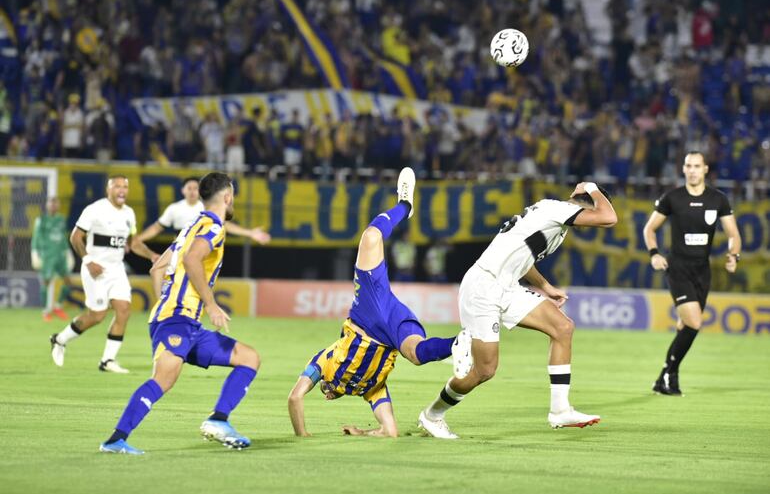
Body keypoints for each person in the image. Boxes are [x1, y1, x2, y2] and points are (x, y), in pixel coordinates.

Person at [419, 182, 618, 439]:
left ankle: (560, 410)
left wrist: (545, 286)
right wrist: (592, 187)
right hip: (483, 286)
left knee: (562, 327)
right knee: (484, 371)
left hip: (506, 287)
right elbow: (609, 217)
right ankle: (432, 415)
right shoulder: (556, 210)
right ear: (585, 204)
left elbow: (523, 260)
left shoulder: (555, 222)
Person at [287, 168, 462, 438]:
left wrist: (302, 436)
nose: (325, 393)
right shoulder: (370, 388)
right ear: (334, 397)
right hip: (392, 328)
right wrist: (361, 433)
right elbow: (390, 431)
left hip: (367, 311)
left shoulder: (323, 363)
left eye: (323, 389)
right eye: (328, 394)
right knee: (415, 355)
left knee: (371, 236)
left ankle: (404, 205)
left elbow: (295, 397)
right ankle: (463, 342)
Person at [99, 172, 260, 454]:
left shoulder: (191, 227)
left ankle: (218, 420)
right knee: (163, 379)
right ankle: (115, 440)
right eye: (232, 194)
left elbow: (157, 268)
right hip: (178, 319)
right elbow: (191, 258)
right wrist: (210, 304)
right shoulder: (213, 227)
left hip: (183, 322)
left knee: (249, 358)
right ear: (227, 197)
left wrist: (167, 301)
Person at [643, 152, 741, 396]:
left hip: (702, 270)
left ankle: (664, 378)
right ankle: (669, 375)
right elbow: (649, 229)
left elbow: (733, 234)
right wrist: (654, 253)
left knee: (684, 325)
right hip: (678, 268)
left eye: (697, 166)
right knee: (694, 322)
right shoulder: (672, 198)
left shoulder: (718, 199)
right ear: (683, 169)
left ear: (705, 169)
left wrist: (733, 255)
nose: (692, 170)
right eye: (688, 165)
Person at [49, 176, 157, 373]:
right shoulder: (95, 209)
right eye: (117, 186)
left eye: (125, 186)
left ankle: (107, 360)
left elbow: (133, 242)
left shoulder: (129, 214)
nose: (122, 190)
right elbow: (75, 237)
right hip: (94, 269)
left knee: (123, 310)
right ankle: (59, 339)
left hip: (116, 270)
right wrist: (88, 261)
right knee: (97, 316)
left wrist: (152, 256)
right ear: (109, 190)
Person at [132, 177, 270, 276]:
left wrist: (250, 233)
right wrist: (138, 239)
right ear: (183, 190)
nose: (192, 191)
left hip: (200, 255)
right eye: (189, 188)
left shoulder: (205, 207)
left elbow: (224, 225)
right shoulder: (174, 209)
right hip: (179, 254)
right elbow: (157, 228)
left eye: (195, 188)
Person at [31, 197, 73, 321]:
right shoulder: (41, 220)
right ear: (47, 205)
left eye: (56, 203)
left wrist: (68, 251)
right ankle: (45, 311)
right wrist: (34, 253)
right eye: (51, 203)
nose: (54, 205)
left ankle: (58, 306)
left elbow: (63, 237)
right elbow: (36, 238)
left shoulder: (61, 219)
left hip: (60, 255)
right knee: (46, 282)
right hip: (48, 256)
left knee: (68, 281)